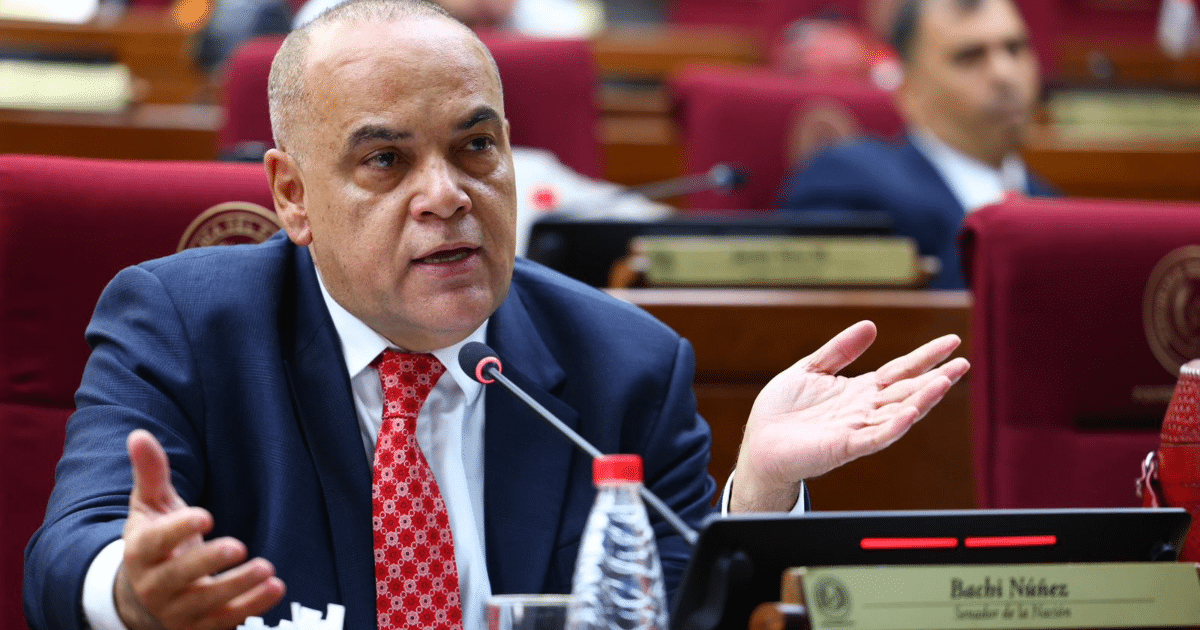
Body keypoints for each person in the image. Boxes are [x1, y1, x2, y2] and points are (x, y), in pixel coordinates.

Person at [23, 2, 969, 629]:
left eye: (476, 147)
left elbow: (681, 607)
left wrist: (759, 489)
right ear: (293, 196)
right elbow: (69, 552)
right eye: (386, 161)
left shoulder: (624, 364)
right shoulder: (186, 327)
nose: (447, 196)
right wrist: (134, 590)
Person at [778, 0, 1057, 290]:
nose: (1004, 74)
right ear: (909, 90)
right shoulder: (848, 183)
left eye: (1015, 49)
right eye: (969, 56)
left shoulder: (1054, 207)